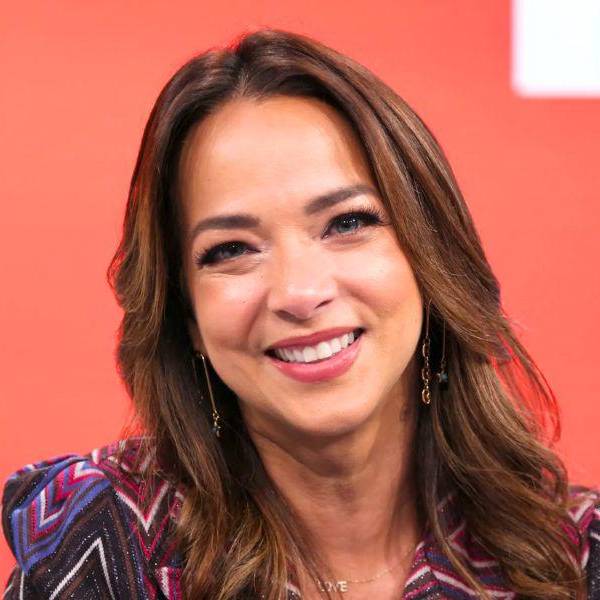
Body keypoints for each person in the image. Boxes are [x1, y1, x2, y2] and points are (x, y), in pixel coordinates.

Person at [2, 28, 599, 600]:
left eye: (348, 222)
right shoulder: (107, 542)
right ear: (188, 318)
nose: (299, 291)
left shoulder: (575, 555)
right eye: (231, 250)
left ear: (430, 255)